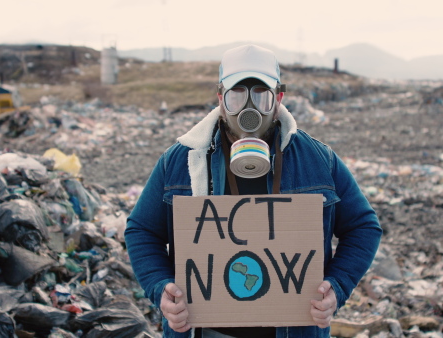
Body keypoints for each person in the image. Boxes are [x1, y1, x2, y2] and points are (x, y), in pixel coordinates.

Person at [125, 44, 382, 338]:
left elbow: (364, 227)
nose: (249, 110)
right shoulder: (181, 160)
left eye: (261, 95)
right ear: (220, 98)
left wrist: (337, 287)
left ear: (279, 98)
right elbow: (141, 230)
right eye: (237, 95)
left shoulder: (318, 161)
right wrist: (160, 289)